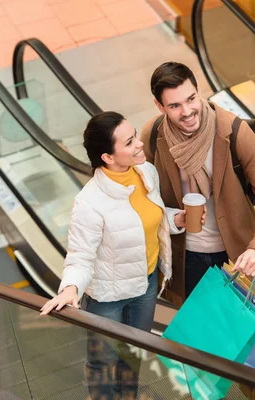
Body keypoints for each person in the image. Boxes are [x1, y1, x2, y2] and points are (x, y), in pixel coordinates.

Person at [39, 111, 195, 399]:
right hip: (107, 297)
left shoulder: (146, 172)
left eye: (135, 135)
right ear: (108, 157)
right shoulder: (89, 203)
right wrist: (71, 287)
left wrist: (176, 220)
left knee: (134, 352)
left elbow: (149, 218)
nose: (139, 144)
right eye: (129, 142)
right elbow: (80, 255)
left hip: (145, 284)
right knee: (102, 362)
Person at [139, 62, 255, 344]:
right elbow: (141, 197)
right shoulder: (153, 135)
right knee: (206, 345)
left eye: (191, 99)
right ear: (159, 106)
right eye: (174, 106)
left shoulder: (233, 132)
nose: (187, 112)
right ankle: (213, 390)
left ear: (199, 92)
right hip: (189, 260)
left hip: (237, 258)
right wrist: (173, 218)